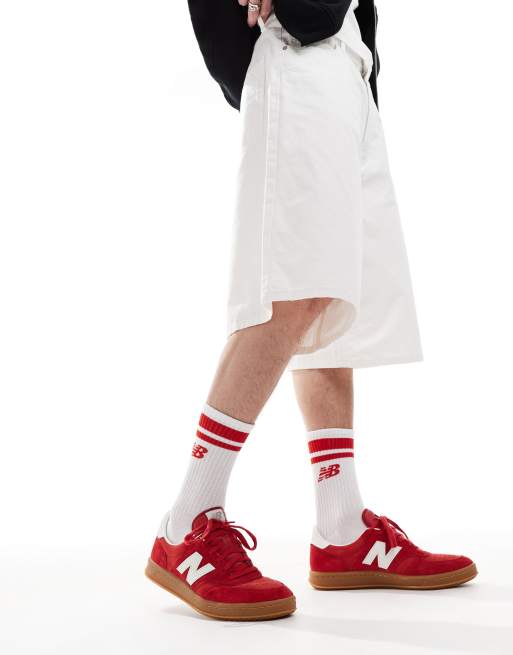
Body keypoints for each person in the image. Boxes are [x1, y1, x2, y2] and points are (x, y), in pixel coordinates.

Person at [144, 0, 477, 621]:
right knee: (291, 291)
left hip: (348, 58)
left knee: (333, 294)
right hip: (293, 51)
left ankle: (341, 525)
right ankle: (187, 521)